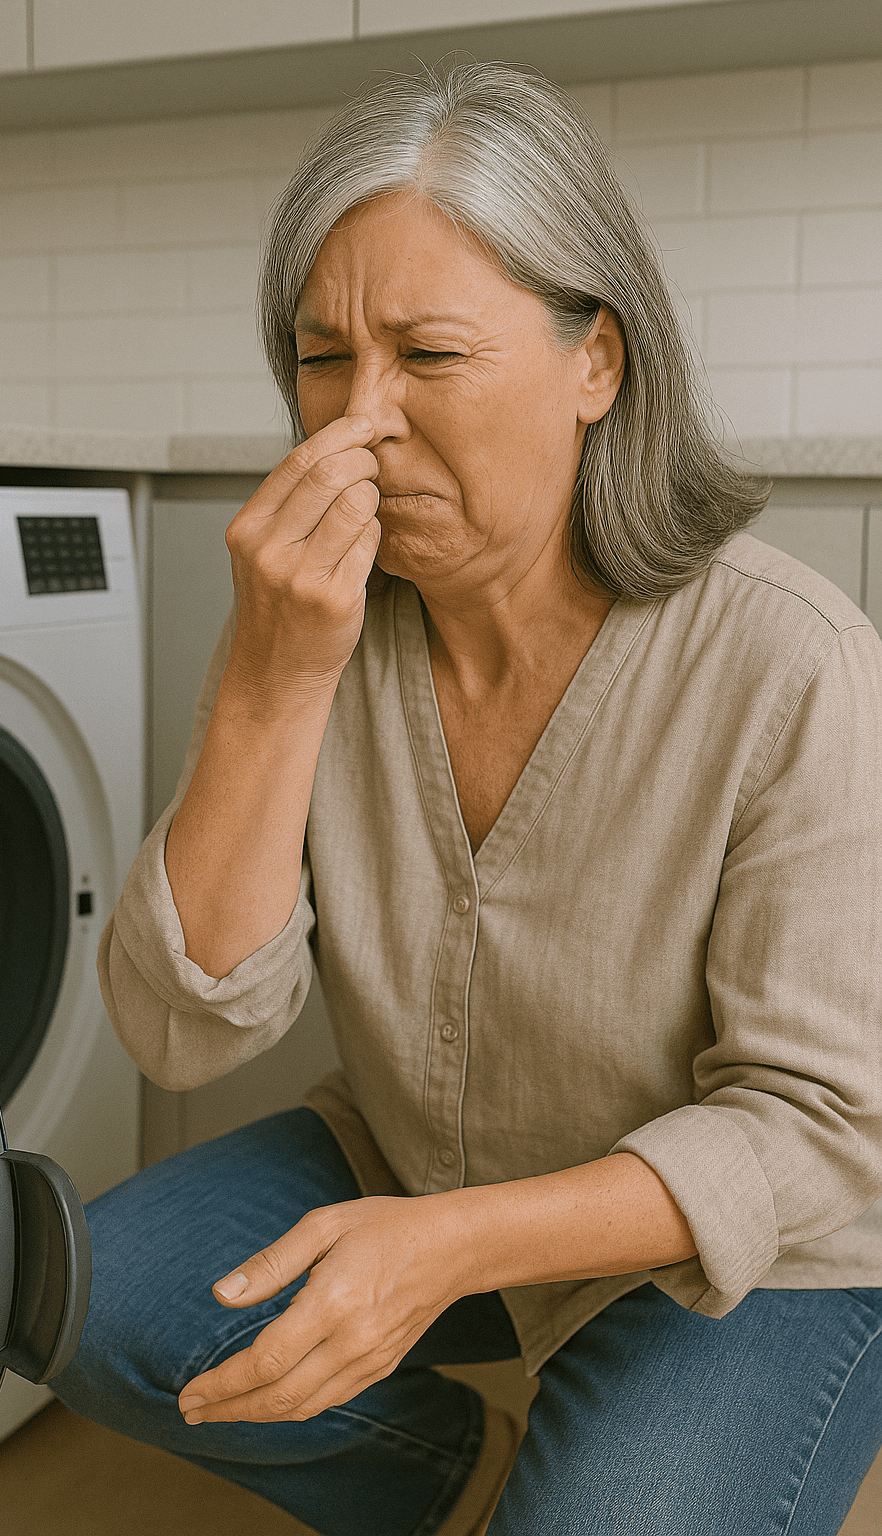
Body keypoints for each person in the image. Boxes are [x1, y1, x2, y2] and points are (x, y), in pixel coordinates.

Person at [51, 64, 882, 1535]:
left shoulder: (789, 660)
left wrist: (449, 1246)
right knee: (74, 1291)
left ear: (596, 366)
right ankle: (452, 1479)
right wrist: (269, 678)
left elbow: (826, 1130)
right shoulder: (319, 625)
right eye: (321, 359)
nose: (358, 423)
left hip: (760, 1248)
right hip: (413, 1160)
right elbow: (180, 1030)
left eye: (428, 355)